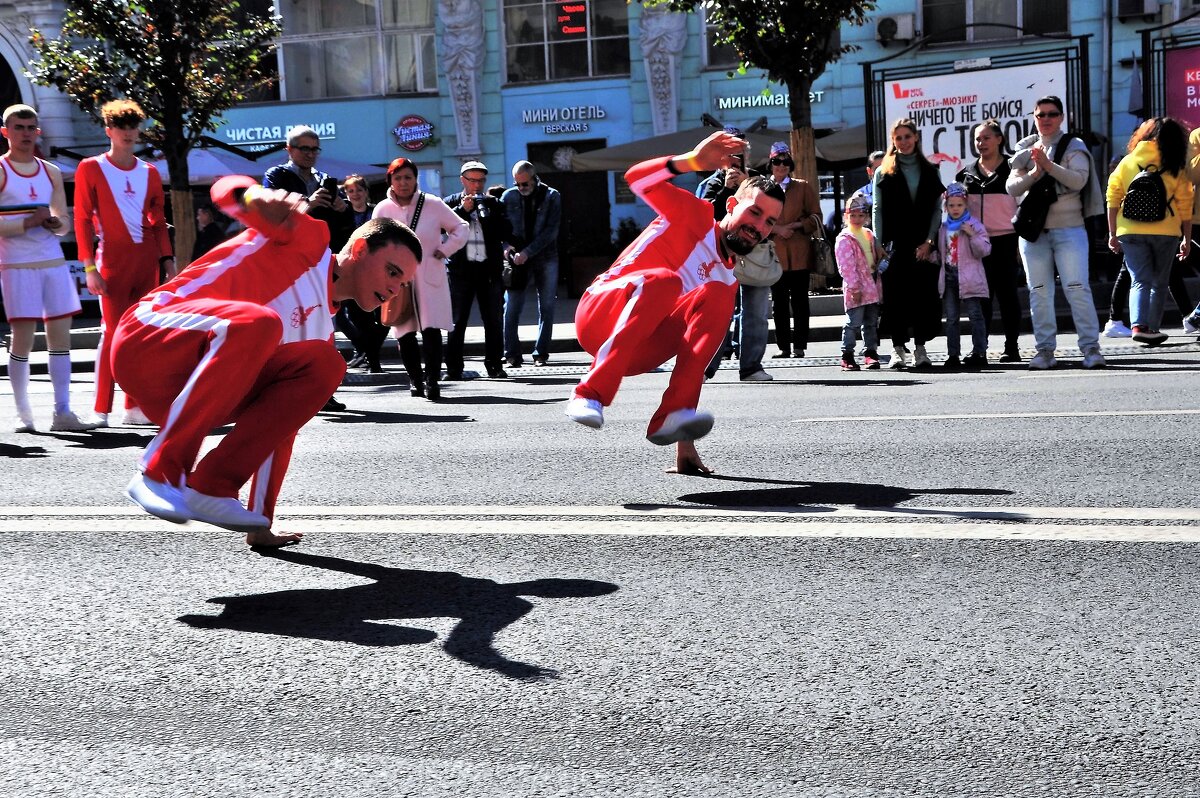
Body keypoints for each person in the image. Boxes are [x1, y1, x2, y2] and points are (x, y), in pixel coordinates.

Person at [113, 176, 419, 546]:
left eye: (402, 284)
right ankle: (159, 472)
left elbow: (278, 429)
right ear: (359, 249)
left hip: (182, 392)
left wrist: (260, 524)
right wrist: (257, 196)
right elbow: (226, 192)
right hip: (148, 336)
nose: (393, 288)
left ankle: (213, 486)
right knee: (258, 324)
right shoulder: (310, 238)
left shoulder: (320, 334)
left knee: (327, 365)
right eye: (392, 271)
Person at [565, 130, 785, 475]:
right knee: (666, 281)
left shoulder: (726, 281)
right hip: (600, 313)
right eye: (754, 212)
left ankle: (670, 418)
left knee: (718, 296)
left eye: (769, 222)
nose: (758, 226)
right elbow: (635, 179)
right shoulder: (692, 212)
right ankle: (589, 392)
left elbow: (694, 355)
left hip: (639, 350)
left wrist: (685, 443)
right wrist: (692, 161)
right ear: (731, 204)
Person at [74, 99, 175, 428]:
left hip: (147, 260)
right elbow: (82, 221)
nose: (129, 133)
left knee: (143, 334)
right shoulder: (91, 167)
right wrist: (89, 267)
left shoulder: (150, 172)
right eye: (122, 127)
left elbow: (159, 221)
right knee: (112, 333)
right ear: (109, 131)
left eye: (133, 127)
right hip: (112, 260)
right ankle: (100, 409)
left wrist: (168, 261)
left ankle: (134, 408)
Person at [0, 104, 94, 432]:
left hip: (52, 262)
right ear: (6, 132)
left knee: (60, 337)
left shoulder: (50, 171)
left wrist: (54, 223)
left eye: (30, 128)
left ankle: (63, 412)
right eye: (19, 127)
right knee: (21, 338)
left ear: (38, 132)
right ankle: (24, 415)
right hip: (15, 264)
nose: (25, 133)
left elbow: (64, 224)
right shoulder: (0, 170)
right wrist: (27, 223)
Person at [1006, 95, 1106, 370]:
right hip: (1033, 232)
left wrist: (1049, 167)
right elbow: (1012, 187)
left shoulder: (1074, 146)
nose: (1046, 119)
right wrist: (1035, 173)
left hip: (1069, 229)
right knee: (1038, 292)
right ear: (1034, 118)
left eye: (1052, 114)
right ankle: (1045, 351)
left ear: (1062, 117)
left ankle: (1090, 349)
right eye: (1041, 115)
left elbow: (1079, 180)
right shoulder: (1026, 148)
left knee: (1077, 288)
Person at [263, 124, 351, 409]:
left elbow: (342, 225)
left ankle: (323, 388)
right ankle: (286, 384)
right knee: (292, 322)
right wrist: (307, 204)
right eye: (305, 148)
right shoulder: (276, 176)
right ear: (289, 149)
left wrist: (342, 208)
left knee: (323, 322)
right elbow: (271, 216)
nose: (311, 154)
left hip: (320, 259)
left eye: (315, 148)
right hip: (288, 261)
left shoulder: (324, 179)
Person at [373, 157, 467, 401]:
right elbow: (372, 242)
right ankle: (415, 380)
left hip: (429, 276)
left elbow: (461, 228)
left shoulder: (433, 204)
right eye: (398, 178)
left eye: (408, 177)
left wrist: (445, 250)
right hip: (397, 280)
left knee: (431, 330)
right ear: (390, 181)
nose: (403, 183)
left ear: (416, 179)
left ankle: (432, 381)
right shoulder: (382, 209)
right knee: (404, 331)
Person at [1106, 117, 1194, 346]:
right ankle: (1152, 328)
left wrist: (1112, 233)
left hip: (1130, 230)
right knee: (1159, 282)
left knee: (1139, 280)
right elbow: (1185, 205)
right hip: (1166, 231)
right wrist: (1187, 238)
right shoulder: (1175, 166)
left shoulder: (1128, 161)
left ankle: (1138, 326)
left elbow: (1112, 196)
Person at [872, 118, 945, 370]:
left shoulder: (930, 170)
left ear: (916, 137)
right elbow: (877, 208)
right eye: (898, 138)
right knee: (895, 297)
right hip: (894, 244)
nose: (903, 142)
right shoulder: (884, 171)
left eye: (907, 136)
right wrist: (879, 243)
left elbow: (937, 210)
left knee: (922, 297)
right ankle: (897, 349)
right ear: (893, 141)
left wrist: (929, 241)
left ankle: (921, 349)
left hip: (921, 244)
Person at [957, 119, 1023, 362]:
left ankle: (1012, 347)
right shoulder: (966, 174)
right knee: (980, 298)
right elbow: (957, 210)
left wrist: (1019, 243)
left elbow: (1022, 206)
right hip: (977, 245)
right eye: (977, 139)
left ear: (999, 139)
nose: (981, 143)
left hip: (1006, 241)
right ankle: (979, 349)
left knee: (1008, 297)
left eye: (986, 138)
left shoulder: (1013, 169)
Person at [444, 161, 511, 379]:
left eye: (481, 180)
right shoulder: (450, 203)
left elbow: (505, 232)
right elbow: (444, 228)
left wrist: (486, 214)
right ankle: (453, 368)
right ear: (462, 180)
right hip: (460, 272)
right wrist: (464, 211)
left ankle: (495, 365)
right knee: (457, 320)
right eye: (472, 180)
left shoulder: (494, 204)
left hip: (488, 270)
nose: (477, 185)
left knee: (493, 319)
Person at [501, 160, 561, 367]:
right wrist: (506, 247)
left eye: (524, 184)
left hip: (545, 256)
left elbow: (551, 231)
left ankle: (541, 353)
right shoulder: (508, 197)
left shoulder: (552, 196)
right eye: (517, 184)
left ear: (534, 178)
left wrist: (528, 252)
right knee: (511, 307)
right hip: (517, 260)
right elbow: (501, 229)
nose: (521, 188)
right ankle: (511, 354)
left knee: (547, 306)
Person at [764, 141, 820, 360]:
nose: (781, 166)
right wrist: (777, 229)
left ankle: (799, 346)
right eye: (777, 161)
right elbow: (755, 219)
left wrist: (795, 226)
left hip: (799, 253)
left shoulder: (803, 186)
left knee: (800, 301)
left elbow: (816, 217)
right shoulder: (762, 187)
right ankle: (783, 347)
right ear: (770, 163)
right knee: (778, 302)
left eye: (785, 161)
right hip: (774, 253)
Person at [332, 174, 388, 373]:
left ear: (366, 191)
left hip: (375, 270)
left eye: (359, 190)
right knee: (352, 317)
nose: (355, 194)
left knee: (383, 316)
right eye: (350, 191)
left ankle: (369, 354)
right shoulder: (341, 213)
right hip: (348, 272)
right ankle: (367, 353)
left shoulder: (376, 213)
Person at [934, 182, 992, 369]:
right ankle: (953, 354)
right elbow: (943, 255)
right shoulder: (944, 228)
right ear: (946, 207)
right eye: (951, 205)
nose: (955, 209)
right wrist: (930, 256)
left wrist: (972, 234)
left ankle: (980, 352)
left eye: (959, 205)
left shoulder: (974, 225)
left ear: (966, 205)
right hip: (950, 276)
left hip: (969, 277)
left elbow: (984, 250)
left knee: (976, 315)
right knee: (951, 318)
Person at [835, 193, 884, 371]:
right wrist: (854, 287)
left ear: (866, 217)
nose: (856, 219)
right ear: (846, 216)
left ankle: (870, 352)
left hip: (872, 284)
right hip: (856, 287)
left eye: (861, 215)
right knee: (853, 322)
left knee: (871, 322)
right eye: (852, 215)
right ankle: (847, 354)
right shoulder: (844, 239)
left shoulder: (869, 235)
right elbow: (846, 267)